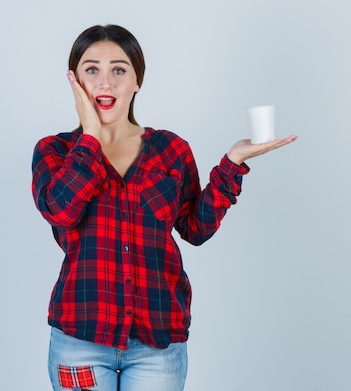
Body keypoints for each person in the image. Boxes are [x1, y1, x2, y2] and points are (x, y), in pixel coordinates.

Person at [31, 24, 296, 391]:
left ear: (137, 80)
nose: (105, 83)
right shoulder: (54, 152)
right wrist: (90, 136)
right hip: (81, 340)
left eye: (119, 70)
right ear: (74, 80)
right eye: (91, 70)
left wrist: (233, 162)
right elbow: (61, 211)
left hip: (158, 344)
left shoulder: (170, 150)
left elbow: (195, 230)